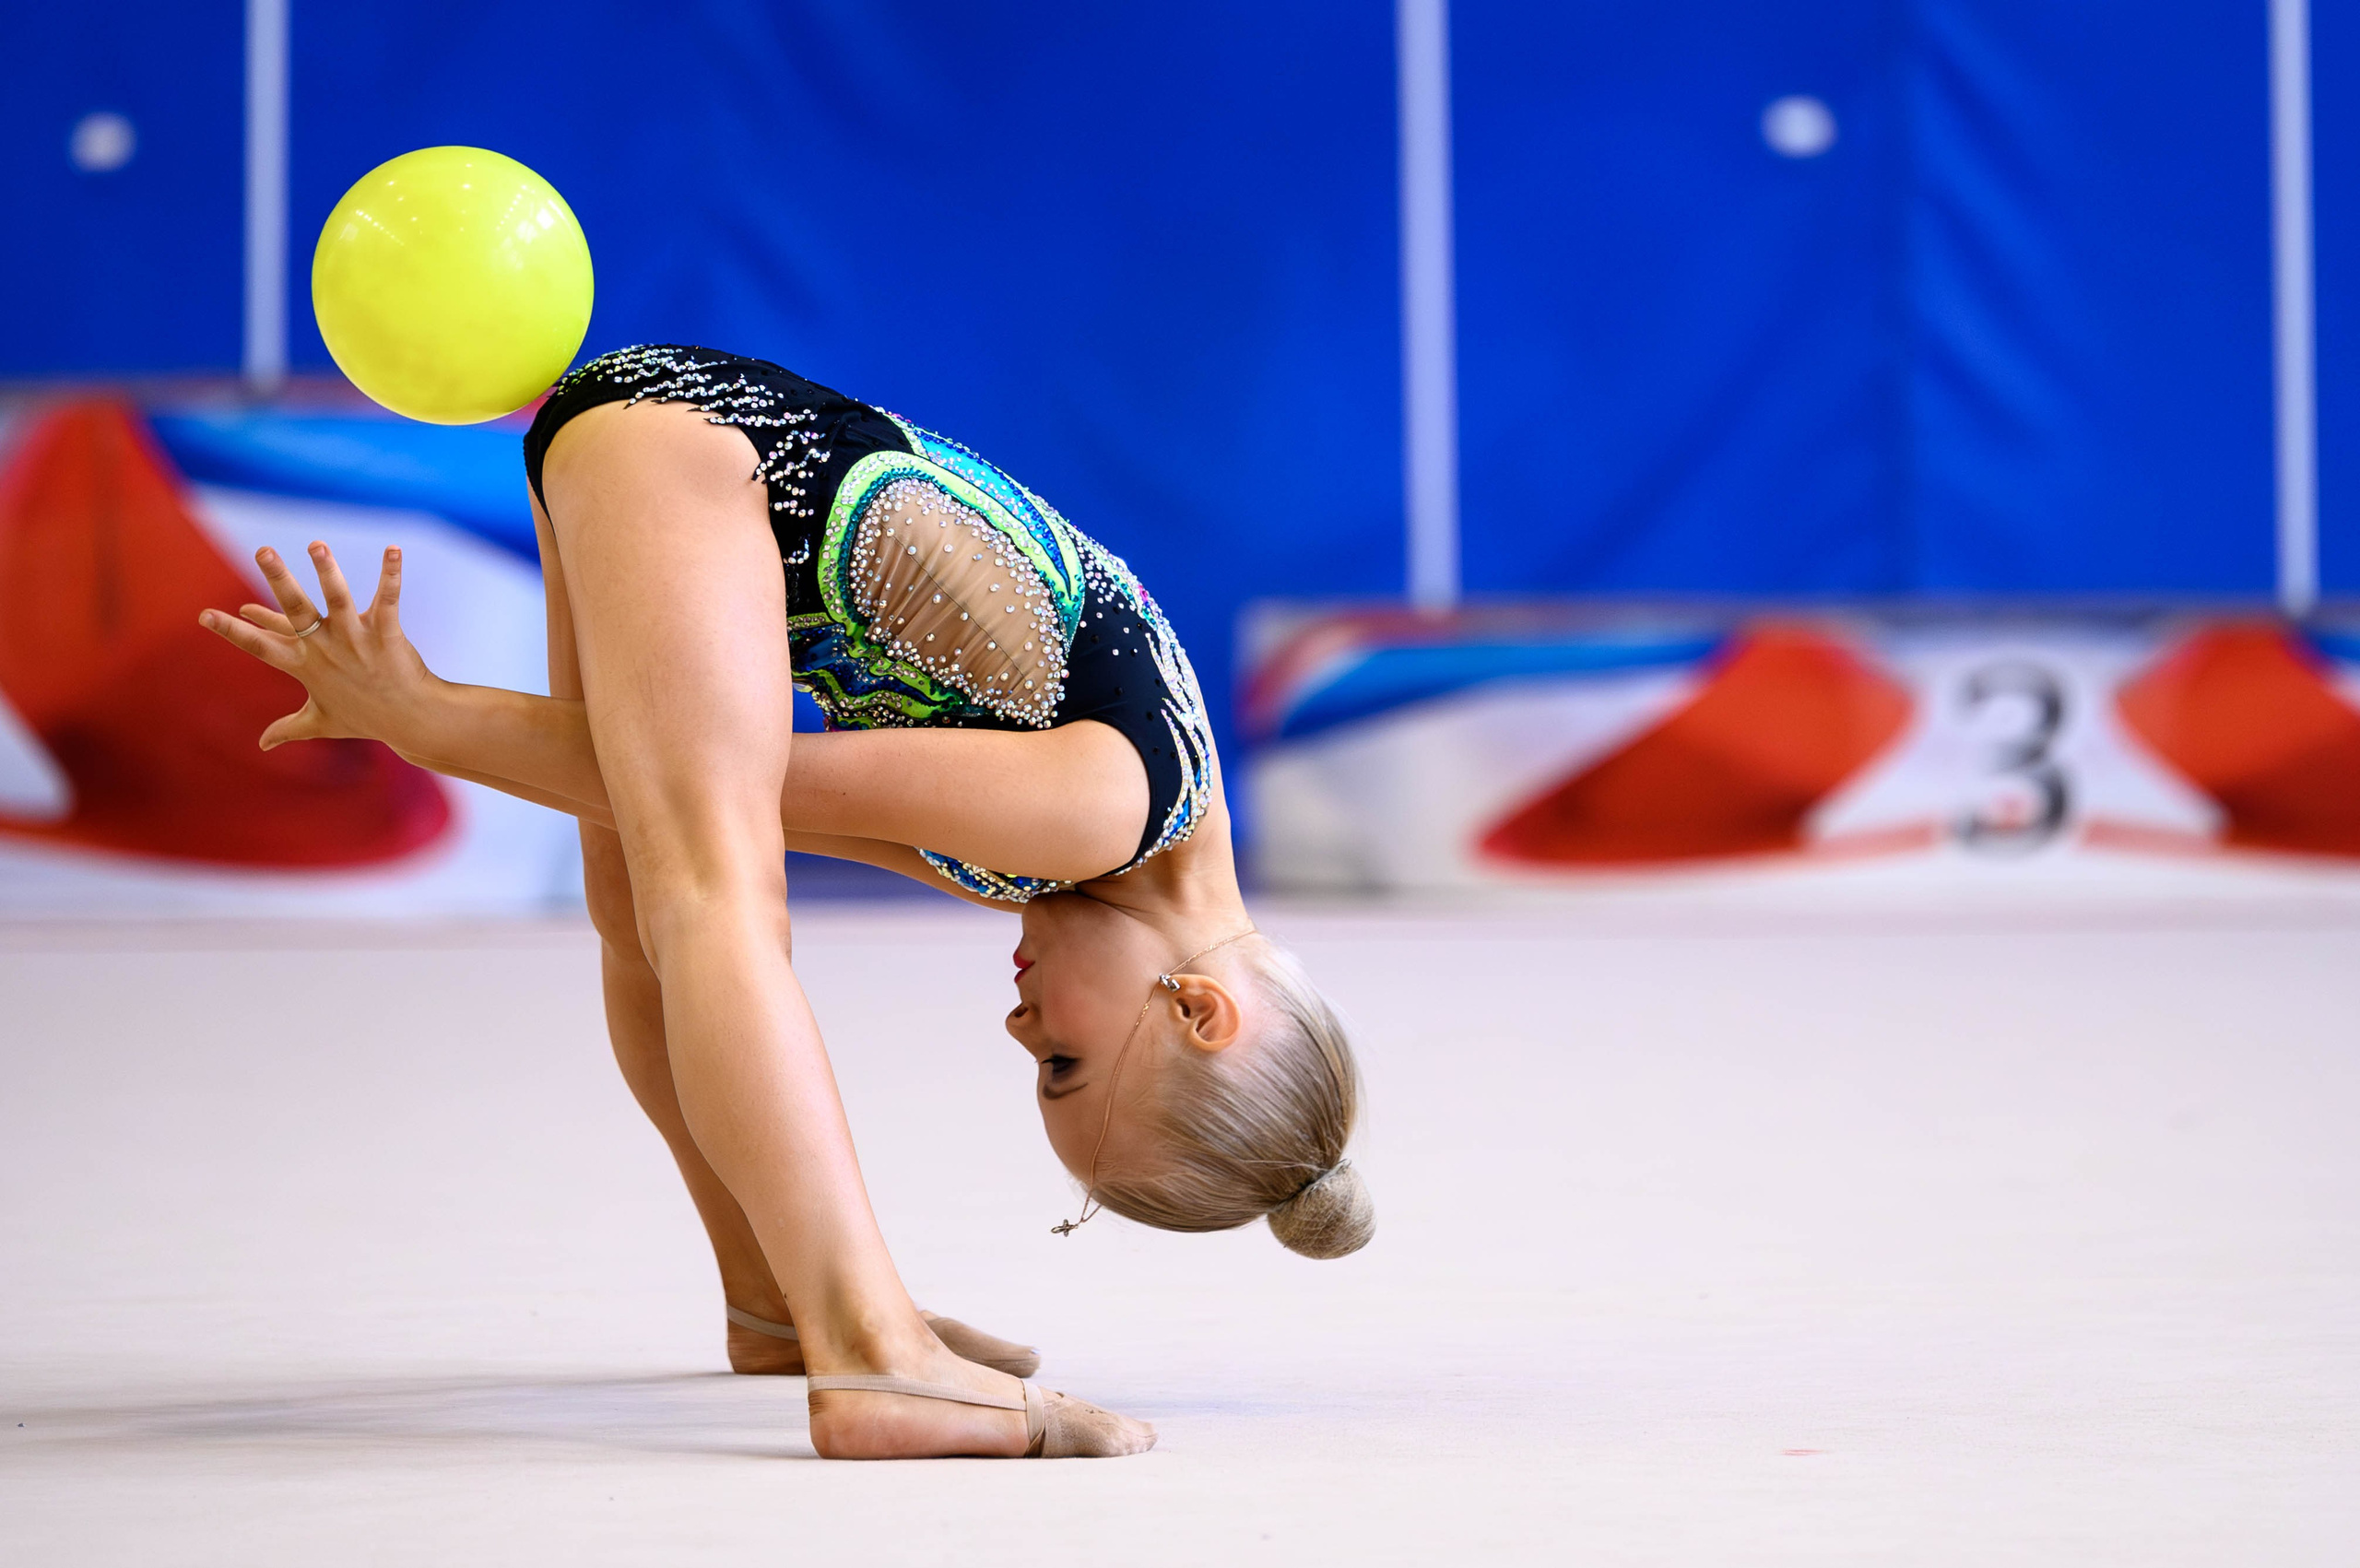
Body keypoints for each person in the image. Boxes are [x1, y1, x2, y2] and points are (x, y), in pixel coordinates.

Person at [198, 346, 1373, 1460]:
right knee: (713, 882)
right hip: (700, 447)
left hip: (649, 450)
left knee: (650, 886)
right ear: (1196, 1009)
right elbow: (724, 788)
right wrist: (429, 718)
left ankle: (771, 1301)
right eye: (1062, 1061)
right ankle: (869, 1349)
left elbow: (677, 783)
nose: (1019, 1028)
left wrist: (429, 720)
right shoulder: (1103, 808)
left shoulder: (1080, 862)